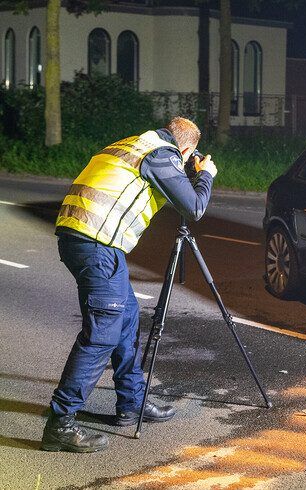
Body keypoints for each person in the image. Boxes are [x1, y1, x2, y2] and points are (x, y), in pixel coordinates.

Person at [41, 117, 218, 453]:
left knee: (126, 320)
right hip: (96, 245)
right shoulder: (162, 155)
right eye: (187, 157)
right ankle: (60, 424)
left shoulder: (135, 143)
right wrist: (205, 175)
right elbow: (194, 207)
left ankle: (131, 404)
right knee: (102, 335)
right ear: (186, 149)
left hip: (91, 241)